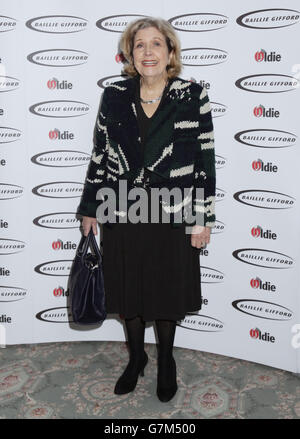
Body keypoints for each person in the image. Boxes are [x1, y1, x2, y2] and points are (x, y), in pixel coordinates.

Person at [77, 17, 216, 403]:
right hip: (123, 209)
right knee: (128, 290)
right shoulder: (115, 94)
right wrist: (91, 207)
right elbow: (100, 154)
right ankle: (136, 358)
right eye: (140, 45)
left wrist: (202, 217)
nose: (148, 52)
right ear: (130, 54)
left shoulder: (191, 95)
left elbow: (206, 160)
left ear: (170, 52)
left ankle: (166, 360)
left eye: (157, 44)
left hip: (173, 213)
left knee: (166, 292)